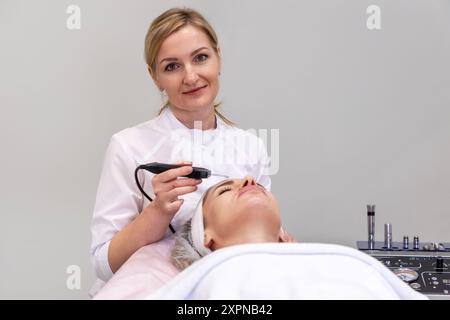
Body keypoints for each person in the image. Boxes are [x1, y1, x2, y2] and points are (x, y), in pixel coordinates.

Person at [89, 8, 271, 296]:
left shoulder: (251, 147)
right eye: (172, 66)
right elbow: (103, 264)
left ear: (218, 57)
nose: (190, 76)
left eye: (200, 58)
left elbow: (264, 237)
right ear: (155, 77)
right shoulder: (128, 146)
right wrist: (158, 212)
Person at [172, 176, 295, 270]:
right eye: (225, 190)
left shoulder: (312, 265)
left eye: (260, 186)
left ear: (282, 234)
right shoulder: (200, 287)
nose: (249, 179)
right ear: (205, 235)